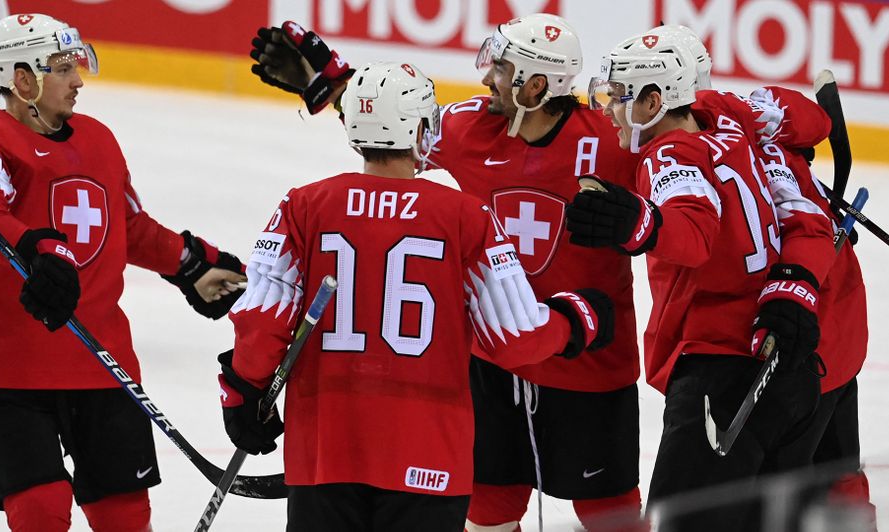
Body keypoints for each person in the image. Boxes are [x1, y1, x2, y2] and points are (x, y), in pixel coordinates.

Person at [250, 13, 644, 531]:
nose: (486, 80)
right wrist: (336, 87)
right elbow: (394, 131)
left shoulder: (613, 142)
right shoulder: (468, 126)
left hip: (589, 364)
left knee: (609, 512)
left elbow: (685, 178)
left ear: (537, 85)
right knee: (489, 510)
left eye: (500, 70)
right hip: (493, 359)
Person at [0, 13, 246, 531]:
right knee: (40, 513)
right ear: (22, 78)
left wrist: (189, 263)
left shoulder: (99, 139)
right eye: (63, 69)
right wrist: (32, 247)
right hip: (9, 365)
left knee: (125, 516)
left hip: (101, 362)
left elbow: (127, 225)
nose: (78, 80)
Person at [568, 28, 822, 531]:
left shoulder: (668, 154)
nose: (609, 110)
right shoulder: (727, 113)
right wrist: (782, 119)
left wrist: (640, 224)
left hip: (720, 371)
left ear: (655, 100)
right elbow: (812, 119)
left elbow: (693, 230)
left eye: (619, 98)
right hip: (786, 361)